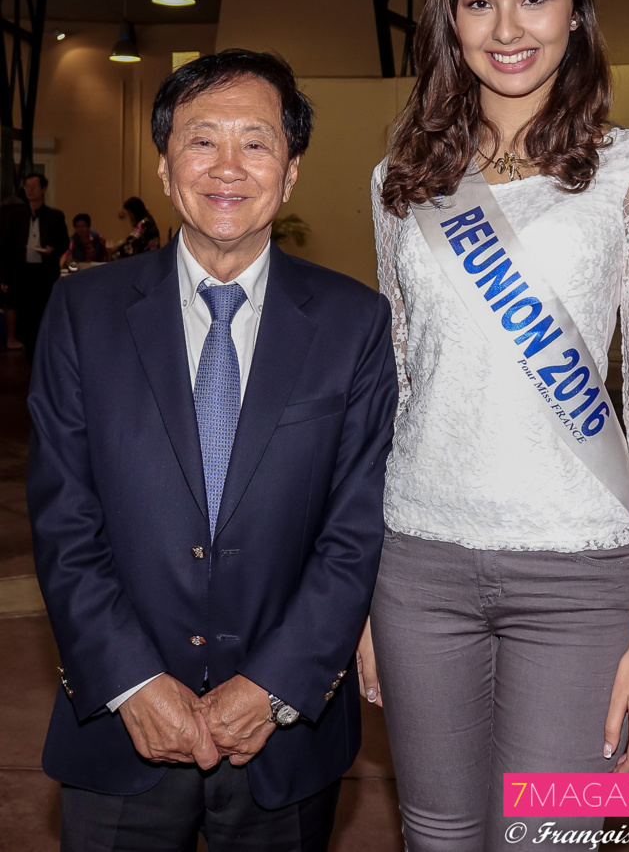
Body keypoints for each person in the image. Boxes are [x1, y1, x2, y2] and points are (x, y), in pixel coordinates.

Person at [361, 0, 629, 850]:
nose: (506, 28)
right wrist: (362, 599)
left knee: (549, 838)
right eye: (478, 1)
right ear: (449, 18)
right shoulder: (398, 182)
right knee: (434, 831)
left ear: (574, 8)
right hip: (417, 565)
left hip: (578, 572)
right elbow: (397, 386)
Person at [27, 49, 397, 851]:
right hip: (119, 723)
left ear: (289, 172)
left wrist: (274, 685)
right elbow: (63, 516)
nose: (227, 166)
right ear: (165, 166)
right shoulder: (83, 312)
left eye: (255, 142)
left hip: (283, 736)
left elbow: (355, 528)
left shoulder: (353, 323)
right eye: (202, 140)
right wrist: (131, 680)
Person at [0, 172, 68, 361]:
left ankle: (44, 358)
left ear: (43, 189)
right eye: (27, 187)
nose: (29, 190)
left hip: (44, 274)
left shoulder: (55, 216)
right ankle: (31, 360)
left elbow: (64, 242)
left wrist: (52, 249)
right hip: (22, 273)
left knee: (44, 315)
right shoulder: (15, 216)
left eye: (34, 186)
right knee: (26, 319)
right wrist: (4, 276)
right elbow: (6, 247)